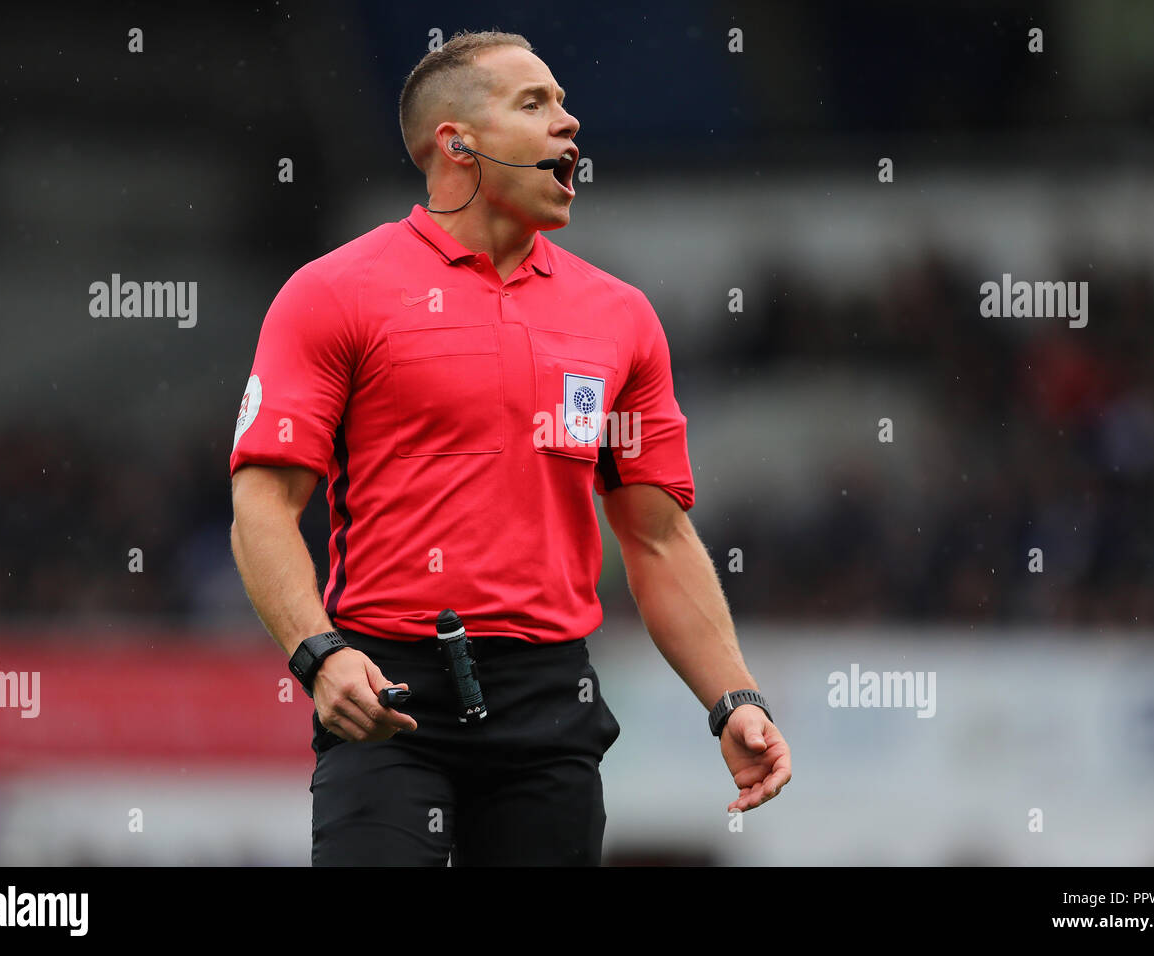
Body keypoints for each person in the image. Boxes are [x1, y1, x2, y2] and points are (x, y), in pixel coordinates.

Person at [228, 29, 791, 866]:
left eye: (565, 104)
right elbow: (262, 506)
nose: (569, 123)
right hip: (385, 693)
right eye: (535, 104)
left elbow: (655, 533)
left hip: (550, 707)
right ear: (456, 143)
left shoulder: (621, 318)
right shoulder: (332, 293)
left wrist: (732, 697)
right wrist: (318, 655)